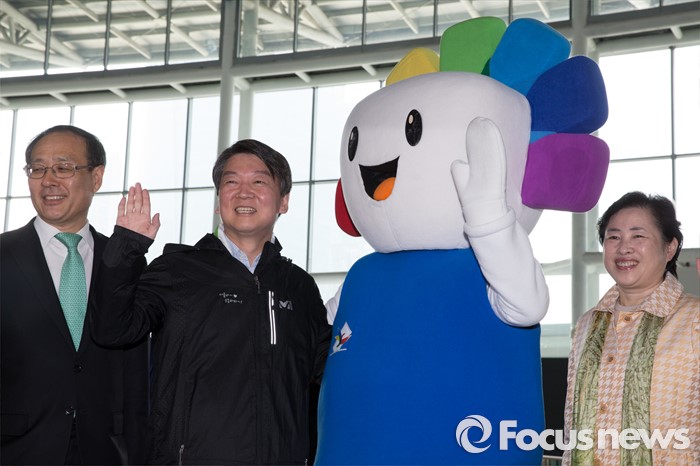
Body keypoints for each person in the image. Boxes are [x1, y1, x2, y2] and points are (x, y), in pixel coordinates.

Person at [91, 138, 332, 465]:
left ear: (284, 201)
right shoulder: (177, 270)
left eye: (259, 182)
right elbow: (112, 329)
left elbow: (333, 370)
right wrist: (126, 248)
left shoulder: (300, 287)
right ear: (219, 202)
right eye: (231, 182)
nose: (243, 192)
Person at [0, 125, 148, 465]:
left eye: (63, 167)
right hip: (16, 450)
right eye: (37, 169)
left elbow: (135, 373)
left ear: (96, 178)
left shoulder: (125, 262)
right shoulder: (3, 256)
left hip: (104, 451)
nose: (48, 181)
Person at [563, 191, 699, 465]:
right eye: (613, 237)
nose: (624, 248)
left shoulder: (693, 319)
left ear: (669, 248)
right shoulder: (587, 323)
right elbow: (572, 425)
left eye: (638, 236)